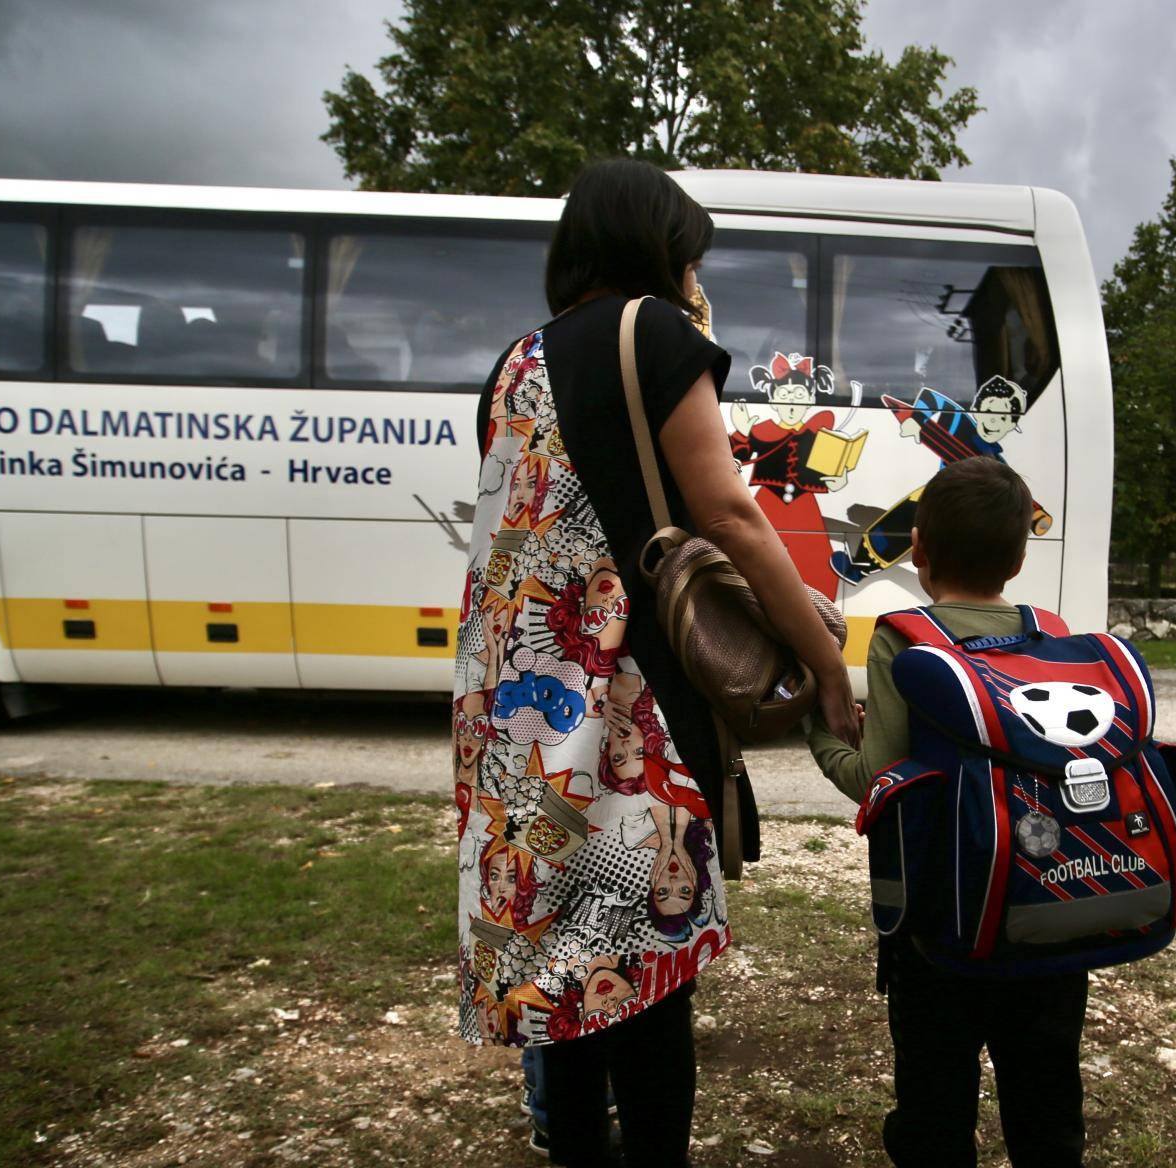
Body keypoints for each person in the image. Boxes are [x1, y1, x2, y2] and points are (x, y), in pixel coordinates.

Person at [453, 158, 858, 1168]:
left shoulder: (513, 363)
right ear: (656, 247)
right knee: (647, 977)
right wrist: (827, 660)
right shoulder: (654, 335)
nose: (692, 270)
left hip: (512, 719)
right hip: (624, 705)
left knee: (563, 973)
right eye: (688, 251)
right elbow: (726, 512)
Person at [808, 455, 1089, 1168]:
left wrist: (818, 727)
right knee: (1047, 1099)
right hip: (1047, 915)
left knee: (935, 1107)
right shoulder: (1051, 632)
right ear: (1021, 557)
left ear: (921, 549)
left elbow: (877, 780)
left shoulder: (906, 638)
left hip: (940, 927)